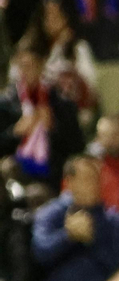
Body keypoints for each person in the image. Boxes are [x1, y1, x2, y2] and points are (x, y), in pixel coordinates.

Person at [32, 154, 119, 281]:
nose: (94, 184)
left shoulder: (114, 221)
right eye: (86, 178)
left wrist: (92, 239)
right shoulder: (51, 214)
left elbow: (118, 265)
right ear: (70, 182)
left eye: (97, 178)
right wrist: (68, 236)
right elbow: (40, 252)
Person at [0, 40, 85, 188]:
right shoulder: (6, 103)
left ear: (41, 66)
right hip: (17, 172)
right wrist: (15, 132)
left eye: (30, 66)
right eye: (21, 66)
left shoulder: (60, 103)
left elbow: (77, 146)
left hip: (52, 173)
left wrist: (53, 128)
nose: (24, 72)